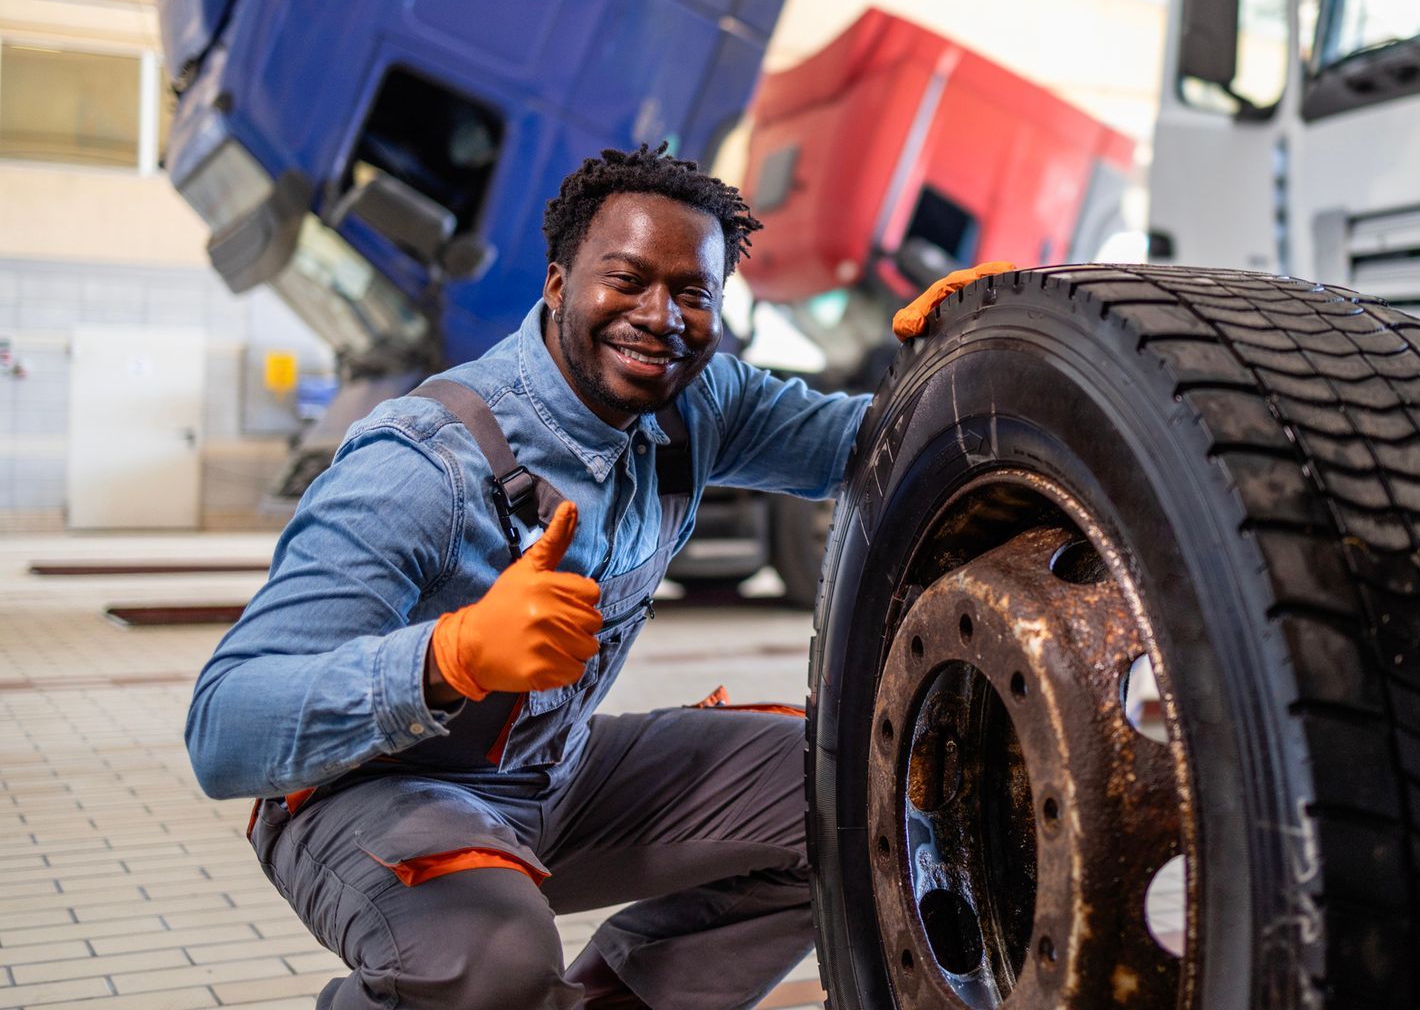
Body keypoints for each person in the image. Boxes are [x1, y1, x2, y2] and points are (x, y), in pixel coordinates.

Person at [187, 146, 933, 1010]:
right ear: (556, 284)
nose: (660, 317)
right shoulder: (422, 464)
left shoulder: (700, 403)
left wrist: (977, 341)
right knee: (495, 961)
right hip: (368, 793)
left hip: (556, 775)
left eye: (693, 293)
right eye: (626, 280)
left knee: (855, 802)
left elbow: (875, 443)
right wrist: (449, 656)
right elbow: (223, 726)